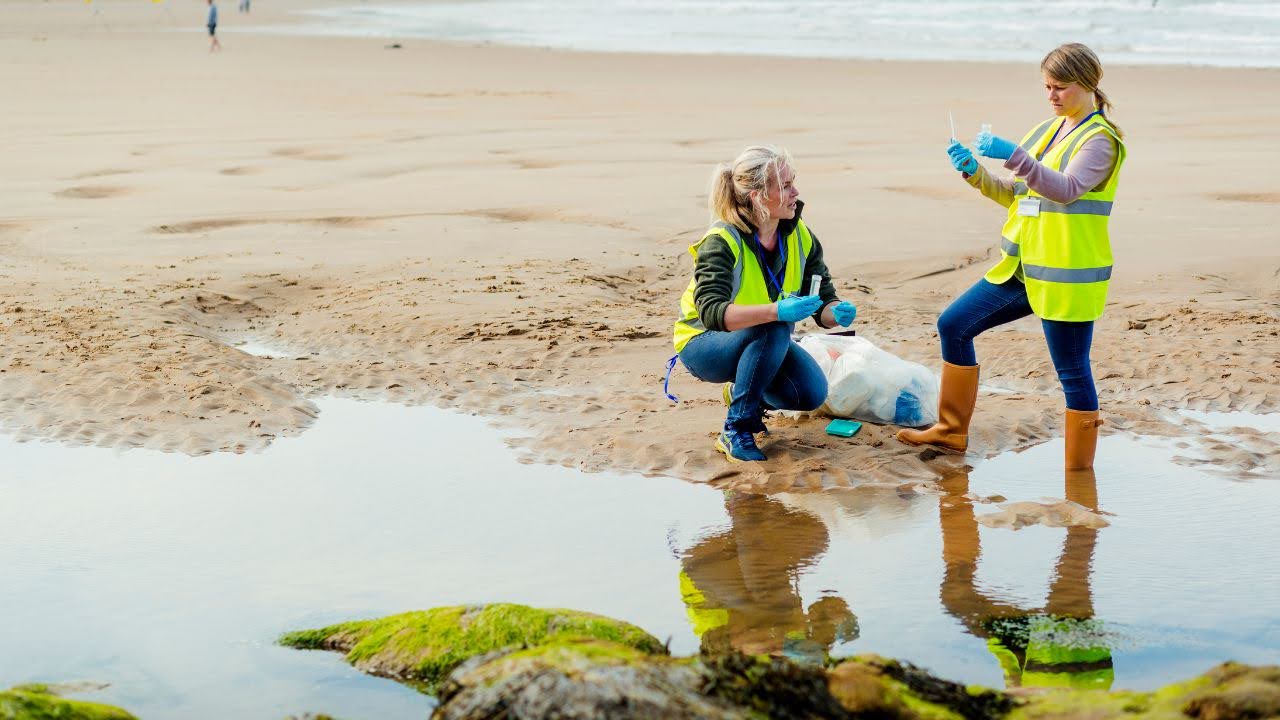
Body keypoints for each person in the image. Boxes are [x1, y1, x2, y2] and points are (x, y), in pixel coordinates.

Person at [897, 43, 1126, 471]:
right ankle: (950, 432)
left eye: (1059, 87)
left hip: (1066, 277)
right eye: (1046, 87)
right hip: (1022, 268)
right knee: (954, 324)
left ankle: (1079, 475)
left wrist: (1013, 155)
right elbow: (1016, 193)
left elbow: (1067, 188)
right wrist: (974, 172)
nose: (1051, 96)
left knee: (1073, 373)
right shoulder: (1047, 130)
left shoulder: (1101, 141)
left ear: (1087, 84)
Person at [671, 146, 858, 462]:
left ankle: (743, 394)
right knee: (775, 327)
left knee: (810, 393)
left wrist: (835, 312)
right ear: (758, 197)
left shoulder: (801, 237)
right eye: (785, 186)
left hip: (762, 338)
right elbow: (713, 313)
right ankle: (736, 429)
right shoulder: (722, 241)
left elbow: (823, 303)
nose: (795, 192)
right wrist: (776, 312)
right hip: (702, 343)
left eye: (793, 182)